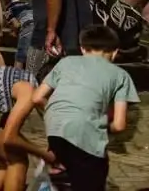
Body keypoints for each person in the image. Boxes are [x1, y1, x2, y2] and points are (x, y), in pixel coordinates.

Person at [33, 25, 139, 191]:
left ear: (82, 48)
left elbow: (37, 97)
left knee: (64, 173)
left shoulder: (65, 62)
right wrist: (100, 125)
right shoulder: (120, 75)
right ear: (115, 52)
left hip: (55, 130)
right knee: (93, 177)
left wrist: (59, 114)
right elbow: (119, 125)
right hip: (85, 134)